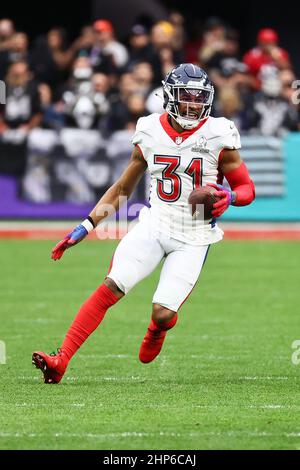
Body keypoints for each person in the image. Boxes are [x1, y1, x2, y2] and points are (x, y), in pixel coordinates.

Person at [32, 63, 255, 384]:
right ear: (170, 96)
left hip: (194, 236)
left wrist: (229, 197)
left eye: (198, 98)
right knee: (112, 284)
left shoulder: (219, 132)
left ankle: (158, 328)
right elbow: (122, 189)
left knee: (163, 313)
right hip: (154, 224)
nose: (193, 104)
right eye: (186, 97)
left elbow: (247, 188)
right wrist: (85, 227)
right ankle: (61, 360)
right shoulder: (150, 130)